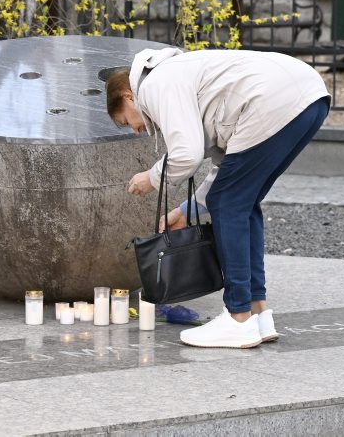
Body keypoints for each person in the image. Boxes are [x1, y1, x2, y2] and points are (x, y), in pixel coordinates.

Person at [106, 47, 330, 349]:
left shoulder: (156, 84)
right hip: (308, 97)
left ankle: (238, 318)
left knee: (228, 203)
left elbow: (187, 155)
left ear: (128, 96)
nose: (135, 130)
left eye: (124, 120)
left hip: (272, 101)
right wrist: (188, 210)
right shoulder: (179, 71)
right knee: (242, 201)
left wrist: (152, 178)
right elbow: (227, 166)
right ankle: (257, 313)